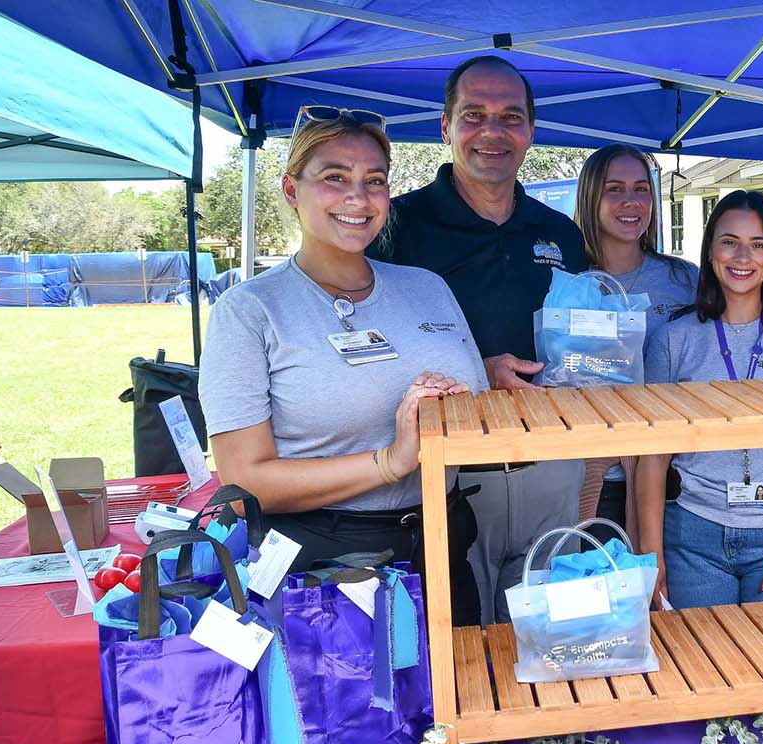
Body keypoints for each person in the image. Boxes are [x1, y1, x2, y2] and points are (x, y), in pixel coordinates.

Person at [200, 106, 489, 618]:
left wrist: (470, 401)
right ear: (292, 190)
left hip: (444, 550)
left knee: (458, 697)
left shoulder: (428, 288)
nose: (358, 198)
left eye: (374, 181)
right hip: (327, 576)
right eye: (335, 178)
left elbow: (471, 410)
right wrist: (390, 461)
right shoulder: (249, 311)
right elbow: (244, 485)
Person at [369, 55, 587, 626]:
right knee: (464, 655)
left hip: (551, 468)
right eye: (474, 115)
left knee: (552, 645)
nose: (493, 131)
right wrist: (473, 371)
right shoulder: (396, 225)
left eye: (511, 117)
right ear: (445, 126)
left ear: (532, 131)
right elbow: (363, 352)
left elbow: (587, 339)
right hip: (451, 477)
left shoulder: (561, 232)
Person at [636, 190, 763, 624]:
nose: (742, 256)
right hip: (693, 539)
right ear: (710, 251)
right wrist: (651, 556)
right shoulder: (674, 340)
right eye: (729, 241)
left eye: (758, 244)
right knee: (705, 677)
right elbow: (652, 458)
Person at [572, 144, 698, 548]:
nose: (632, 202)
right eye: (615, 189)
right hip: (591, 481)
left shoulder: (683, 279)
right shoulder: (567, 284)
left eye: (642, 189)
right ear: (591, 197)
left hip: (673, 476)